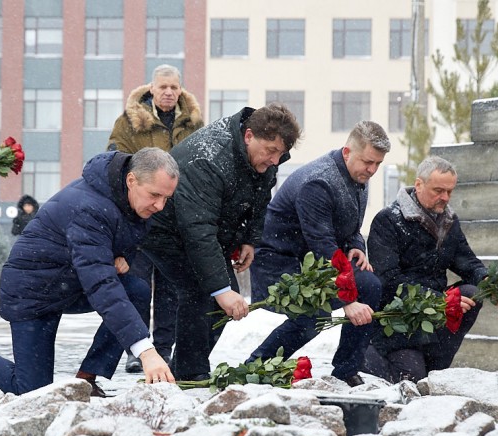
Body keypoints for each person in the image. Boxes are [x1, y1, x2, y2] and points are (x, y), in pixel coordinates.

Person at [0, 148, 179, 397]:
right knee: (32, 391)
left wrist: (122, 257)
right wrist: (146, 350)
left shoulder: (131, 200)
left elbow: (121, 240)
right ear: (131, 179)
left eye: (166, 198)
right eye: (155, 195)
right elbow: (102, 284)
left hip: (69, 284)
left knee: (136, 291)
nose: (160, 205)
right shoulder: (90, 207)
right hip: (32, 292)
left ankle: (87, 379)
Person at [140, 102, 302, 381]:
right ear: (249, 136)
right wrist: (219, 288)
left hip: (203, 230)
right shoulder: (211, 159)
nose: (275, 160)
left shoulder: (264, 158)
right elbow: (198, 229)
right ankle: (191, 375)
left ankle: (181, 370)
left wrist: (250, 239)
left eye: (281, 153)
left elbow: (261, 196)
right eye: (271, 151)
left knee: (220, 299)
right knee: (200, 290)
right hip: (165, 228)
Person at [245, 121, 391, 387]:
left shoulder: (358, 175)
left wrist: (357, 244)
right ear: (347, 152)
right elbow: (323, 245)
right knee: (315, 309)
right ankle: (256, 366)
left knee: (370, 285)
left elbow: (351, 225)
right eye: (368, 162)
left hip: (312, 259)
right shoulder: (319, 182)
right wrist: (347, 301)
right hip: (278, 259)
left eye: (378, 164)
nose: (372, 170)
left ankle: (346, 369)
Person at [107, 64, 203, 373]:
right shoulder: (129, 122)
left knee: (171, 288)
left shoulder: (193, 123)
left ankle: (163, 348)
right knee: (137, 284)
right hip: (141, 217)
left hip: (178, 219)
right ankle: (137, 348)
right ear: (151, 88)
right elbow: (115, 160)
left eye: (174, 87)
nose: (168, 92)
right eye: (163, 87)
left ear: (180, 90)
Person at [364, 155, 487, 383]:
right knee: (410, 379)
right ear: (419, 184)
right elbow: (389, 281)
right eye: (438, 190)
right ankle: (367, 354)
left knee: (473, 292)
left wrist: (490, 282)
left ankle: (436, 361)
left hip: (435, 319)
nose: (445, 198)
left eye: (450, 191)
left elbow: (467, 262)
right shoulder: (388, 221)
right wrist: (439, 300)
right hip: (398, 321)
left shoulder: (448, 221)